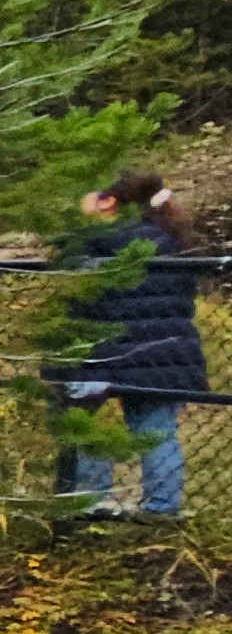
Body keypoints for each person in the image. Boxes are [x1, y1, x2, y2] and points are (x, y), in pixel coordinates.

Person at [53, 174, 205, 519]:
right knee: (156, 432)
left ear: (107, 201)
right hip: (164, 352)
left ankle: (90, 502)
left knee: (85, 422)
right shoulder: (169, 238)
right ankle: (162, 510)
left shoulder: (89, 243)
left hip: (100, 350)